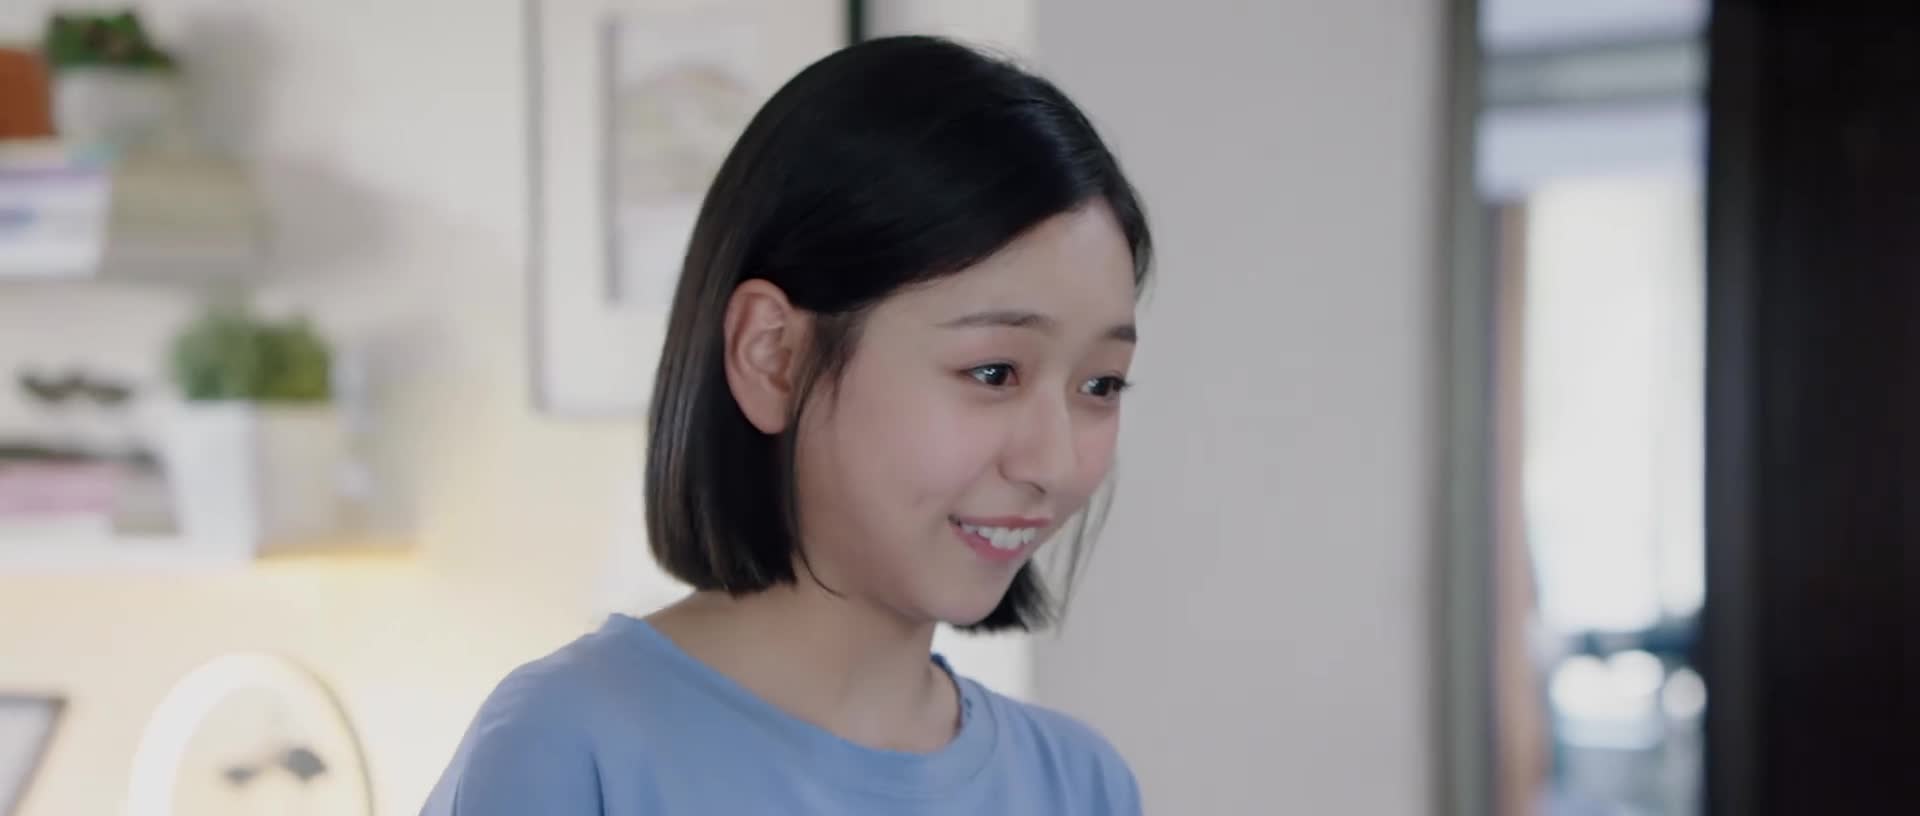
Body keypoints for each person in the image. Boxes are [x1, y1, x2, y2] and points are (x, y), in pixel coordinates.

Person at [421, 34, 1153, 815]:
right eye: (994, 373)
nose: (1054, 461)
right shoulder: (568, 749)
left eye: (1100, 385)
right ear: (774, 357)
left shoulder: (1082, 786)